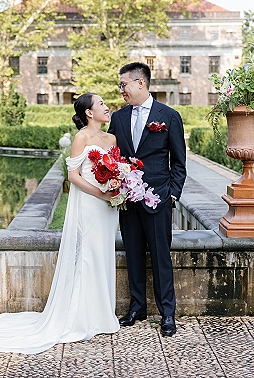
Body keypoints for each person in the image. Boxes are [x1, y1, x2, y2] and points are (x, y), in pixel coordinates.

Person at [0, 93, 120, 354]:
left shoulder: (112, 138)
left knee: (103, 252)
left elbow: (116, 167)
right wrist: (100, 192)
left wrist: (118, 186)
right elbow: (73, 176)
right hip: (90, 203)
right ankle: (82, 317)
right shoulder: (81, 138)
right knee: (87, 255)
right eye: (102, 105)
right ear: (88, 112)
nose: (107, 108)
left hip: (109, 206)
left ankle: (103, 313)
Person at [107, 62, 187, 337]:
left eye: (123, 85)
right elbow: (114, 157)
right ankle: (137, 307)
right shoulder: (117, 118)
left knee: (161, 256)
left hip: (158, 198)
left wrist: (172, 193)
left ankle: (168, 313)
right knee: (133, 254)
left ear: (140, 83)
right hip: (128, 199)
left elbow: (178, 162)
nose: (121, 91)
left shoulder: (169, 116)